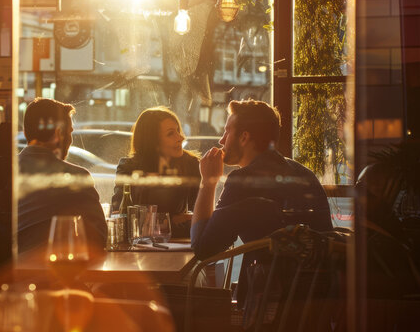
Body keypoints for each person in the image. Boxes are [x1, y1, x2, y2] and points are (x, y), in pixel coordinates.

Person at [191, 98, 332, 259]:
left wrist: (207, 182)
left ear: (244, 138)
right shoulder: (304, 174)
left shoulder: (243, 181)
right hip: (317, 281)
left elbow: (202, 249)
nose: (221, 140)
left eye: (227, 131)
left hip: (273, 282)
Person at [18, 98, 108, 254]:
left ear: (25, 132)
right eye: (70, 132)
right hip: (55, 271)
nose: (71, 139)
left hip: (6, 275)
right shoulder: (76, 177)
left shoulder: (3, 172)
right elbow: (97, 239)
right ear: (59, 133)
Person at [111, 106, 200, 238]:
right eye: (171, 133)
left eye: (178, 130)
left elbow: (200, 222)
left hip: (179, 245)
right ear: (153, 142)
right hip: (139, 247)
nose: (181, 137)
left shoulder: (191, 164)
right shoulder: (128, 167)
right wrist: (173, 220)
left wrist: (148, 223)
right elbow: (121, 219)